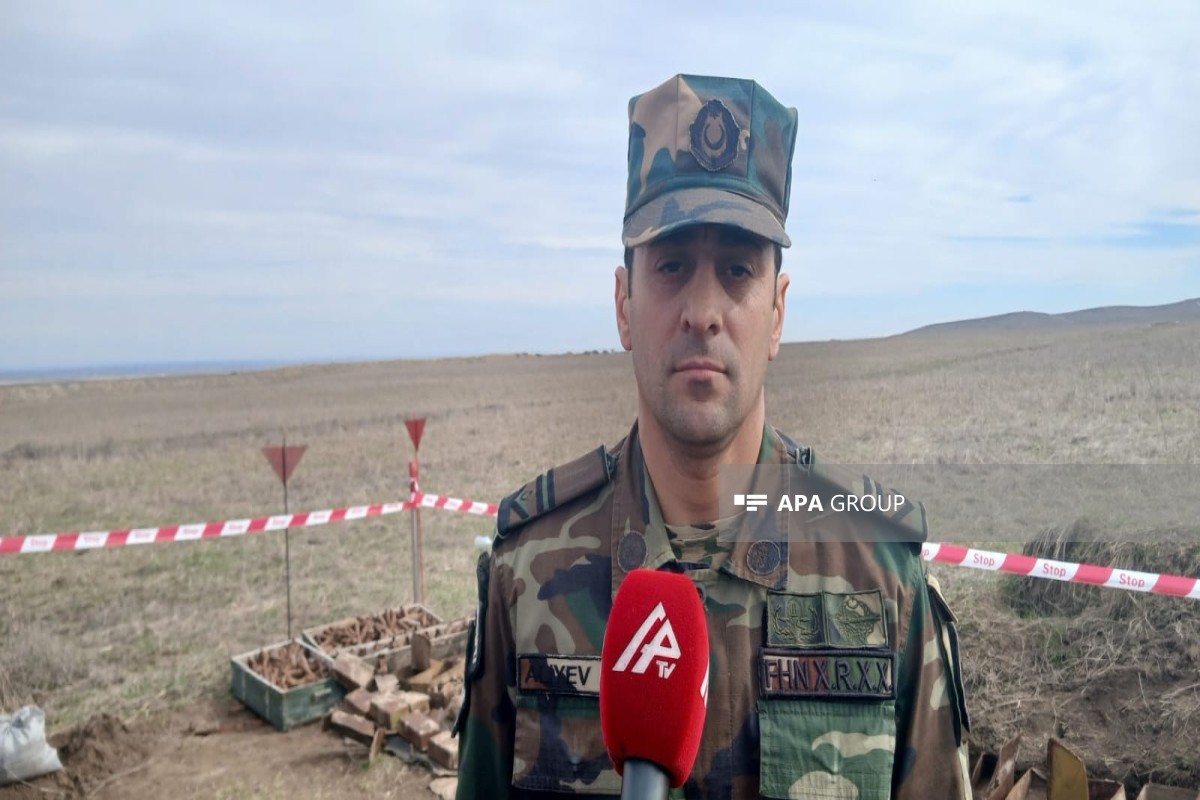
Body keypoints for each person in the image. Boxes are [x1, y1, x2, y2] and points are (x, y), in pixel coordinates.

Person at [454, 74, 971, 799]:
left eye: (737, 270)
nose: (702, 310)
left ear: (778, 313)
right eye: (670, 266)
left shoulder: (879, 574)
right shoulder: (526, 572)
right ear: (624, 305)